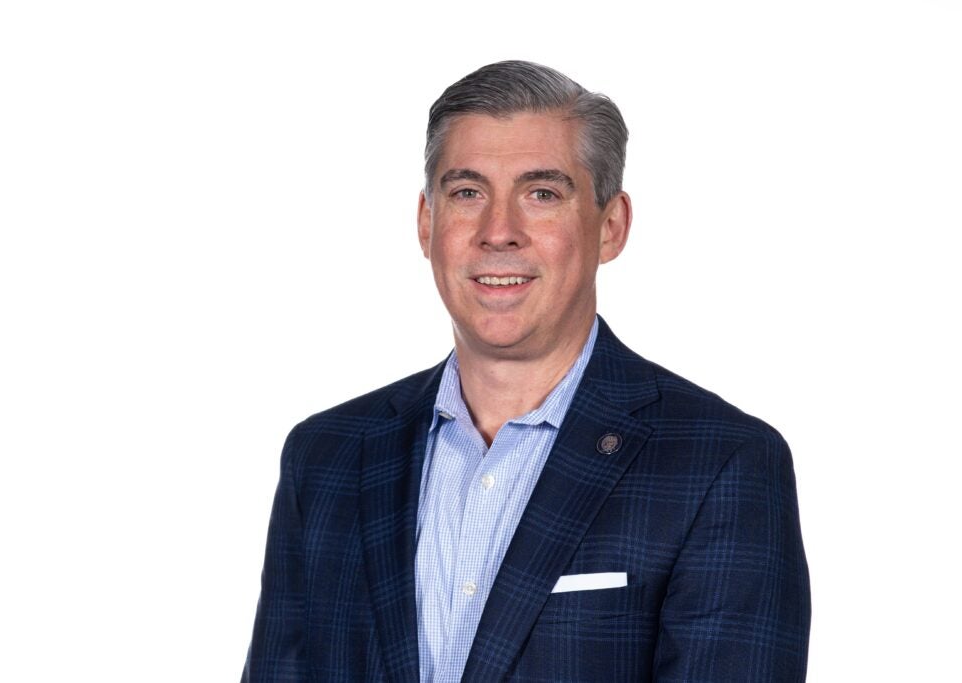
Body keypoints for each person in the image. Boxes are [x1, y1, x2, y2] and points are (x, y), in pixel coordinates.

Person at [242, 60, 810, 682]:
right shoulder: (325, 458)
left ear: (611, 226)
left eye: (542, 194)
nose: (499, 232)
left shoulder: (721, 465)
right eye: (467, 193)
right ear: (427, 224)